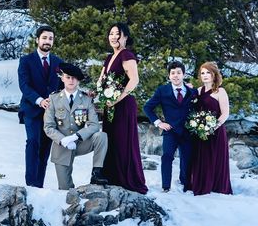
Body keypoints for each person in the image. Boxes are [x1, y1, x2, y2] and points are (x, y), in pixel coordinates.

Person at [99, 23, 148, 194]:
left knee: (122, 141)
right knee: (109, 140)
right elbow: (101, 81)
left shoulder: (127, 55)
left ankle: (126, 179)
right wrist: (98, 92)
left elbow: (134, 81)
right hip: (109, 105)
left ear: (125, 37)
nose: (113, 37)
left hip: (123, 105)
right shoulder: (109, 57)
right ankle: (111, 176)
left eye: (117, 34)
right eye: (111, 33)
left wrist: (116, 99)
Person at [43, 63, 108, 190]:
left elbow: (94, 125)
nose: (71, 80)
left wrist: (75, 136)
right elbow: (48, 127)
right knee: (64, 189)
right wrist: (63, 140)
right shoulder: (54, 98)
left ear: (78, 80)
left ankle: (96, 172)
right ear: (62, 78)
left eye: (74, 78)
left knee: (101, 136)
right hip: (62, 147)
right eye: (68, 77)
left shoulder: (86, 99)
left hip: (80, 143)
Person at [18, 25, 64, 188]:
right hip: (32, 110)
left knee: (45, 148)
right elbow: (24, 85)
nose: (47, 41)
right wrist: (39, 100)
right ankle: (30, 185)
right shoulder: (26, 61)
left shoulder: (59, 62)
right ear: (37, 40)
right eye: (44, 38)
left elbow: (63, 86)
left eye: (50, 38)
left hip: (51, 113)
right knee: (33, 142)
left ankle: (39, 186)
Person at [143, 61, 197, 192]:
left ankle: (185, 183)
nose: (176, 75)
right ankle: (165, 186)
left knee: (187, 157)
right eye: (172, 73)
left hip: (187, 130)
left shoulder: (192, 91)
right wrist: (159, 123)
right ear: (169, 76)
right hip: (170, 130)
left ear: (183, 74)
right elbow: (147, 107)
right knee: (167, 156)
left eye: (179, 73)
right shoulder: (162, 90)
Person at [184, 62, 232, 195]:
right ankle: (201, 183)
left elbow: (225, 113)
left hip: (215, 131)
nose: (205, 75)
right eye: (202, 73)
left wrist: (213, 127)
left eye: (208, 73)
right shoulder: (198, 91)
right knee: (201, 158)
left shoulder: (220, 91)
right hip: (199, 132)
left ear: (214, 74)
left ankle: (216, 185)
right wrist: (186, 88)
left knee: (214, 158)